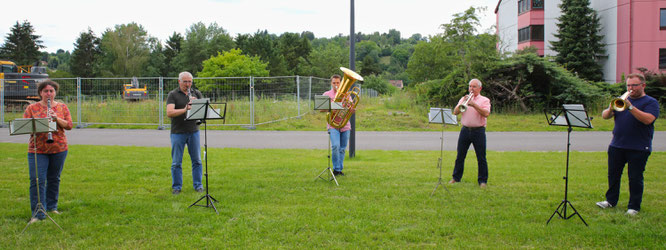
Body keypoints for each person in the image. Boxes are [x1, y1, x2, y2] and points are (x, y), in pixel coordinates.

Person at [596, 73, 659, 215]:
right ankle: (610, 201)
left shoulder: (650, 102)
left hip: (639, 146)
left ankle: (634, 207)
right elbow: (605, 116)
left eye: (634, 85)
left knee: (635, 177)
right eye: (628, 85)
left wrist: (630, 107)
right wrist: (611, 108)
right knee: (613, 175)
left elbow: (648, 120)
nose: (631, 88)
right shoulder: (622, 100)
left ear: (643, 85)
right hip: (617, 145)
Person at [23, 80, 73, 223]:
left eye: (51, 91)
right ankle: (38, 213)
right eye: (46, 91)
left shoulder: (62, 107)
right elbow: (25, 126)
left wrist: (56, 118)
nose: (49, 94)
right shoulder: (32, 108)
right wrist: (41, 123)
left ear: (55, 92)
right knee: (37, 180)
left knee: (54, 178)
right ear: (40, 93)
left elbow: (69, 125)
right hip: (37, 149)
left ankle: (52, 206)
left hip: (59, 148)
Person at [166, 72, 204, 195]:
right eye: (185, 82)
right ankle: (176, 187)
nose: (187, 84)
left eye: (189, 82)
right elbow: (169, 112)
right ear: (179, 81)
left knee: (197, 160)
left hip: (193, 131)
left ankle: (198, 185)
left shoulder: (196, 93)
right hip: (178, 132)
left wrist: (197, 104)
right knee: (177, 162)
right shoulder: (173, 95)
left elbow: (203, 110)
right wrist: (185, 109)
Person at [449, 79, 491, 187]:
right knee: (460, 156)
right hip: (465, 130)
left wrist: (474, 104)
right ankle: (456, 178)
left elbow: (486, 114)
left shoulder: (484, 100)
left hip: (479, 131)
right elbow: (455, 112)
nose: (471, 89)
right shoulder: (464, 98)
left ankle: (482, 181)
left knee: (481, 157)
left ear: (480, 88)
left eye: (474, 87)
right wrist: (463, 103)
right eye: (470, 86)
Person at [323, 74, 351, 176]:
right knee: (335, 146)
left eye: (338, 83)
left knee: (342, 148)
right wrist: (332, 108)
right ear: (331, 83)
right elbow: (321, 109)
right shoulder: (327, 94)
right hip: (333, 124)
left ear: (341, 83)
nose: (336, 85)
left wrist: (351, 109)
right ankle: (336, 169)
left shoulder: (347, 94)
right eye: (334, 83)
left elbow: (350, 107)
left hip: (345, 124)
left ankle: (339, 169)